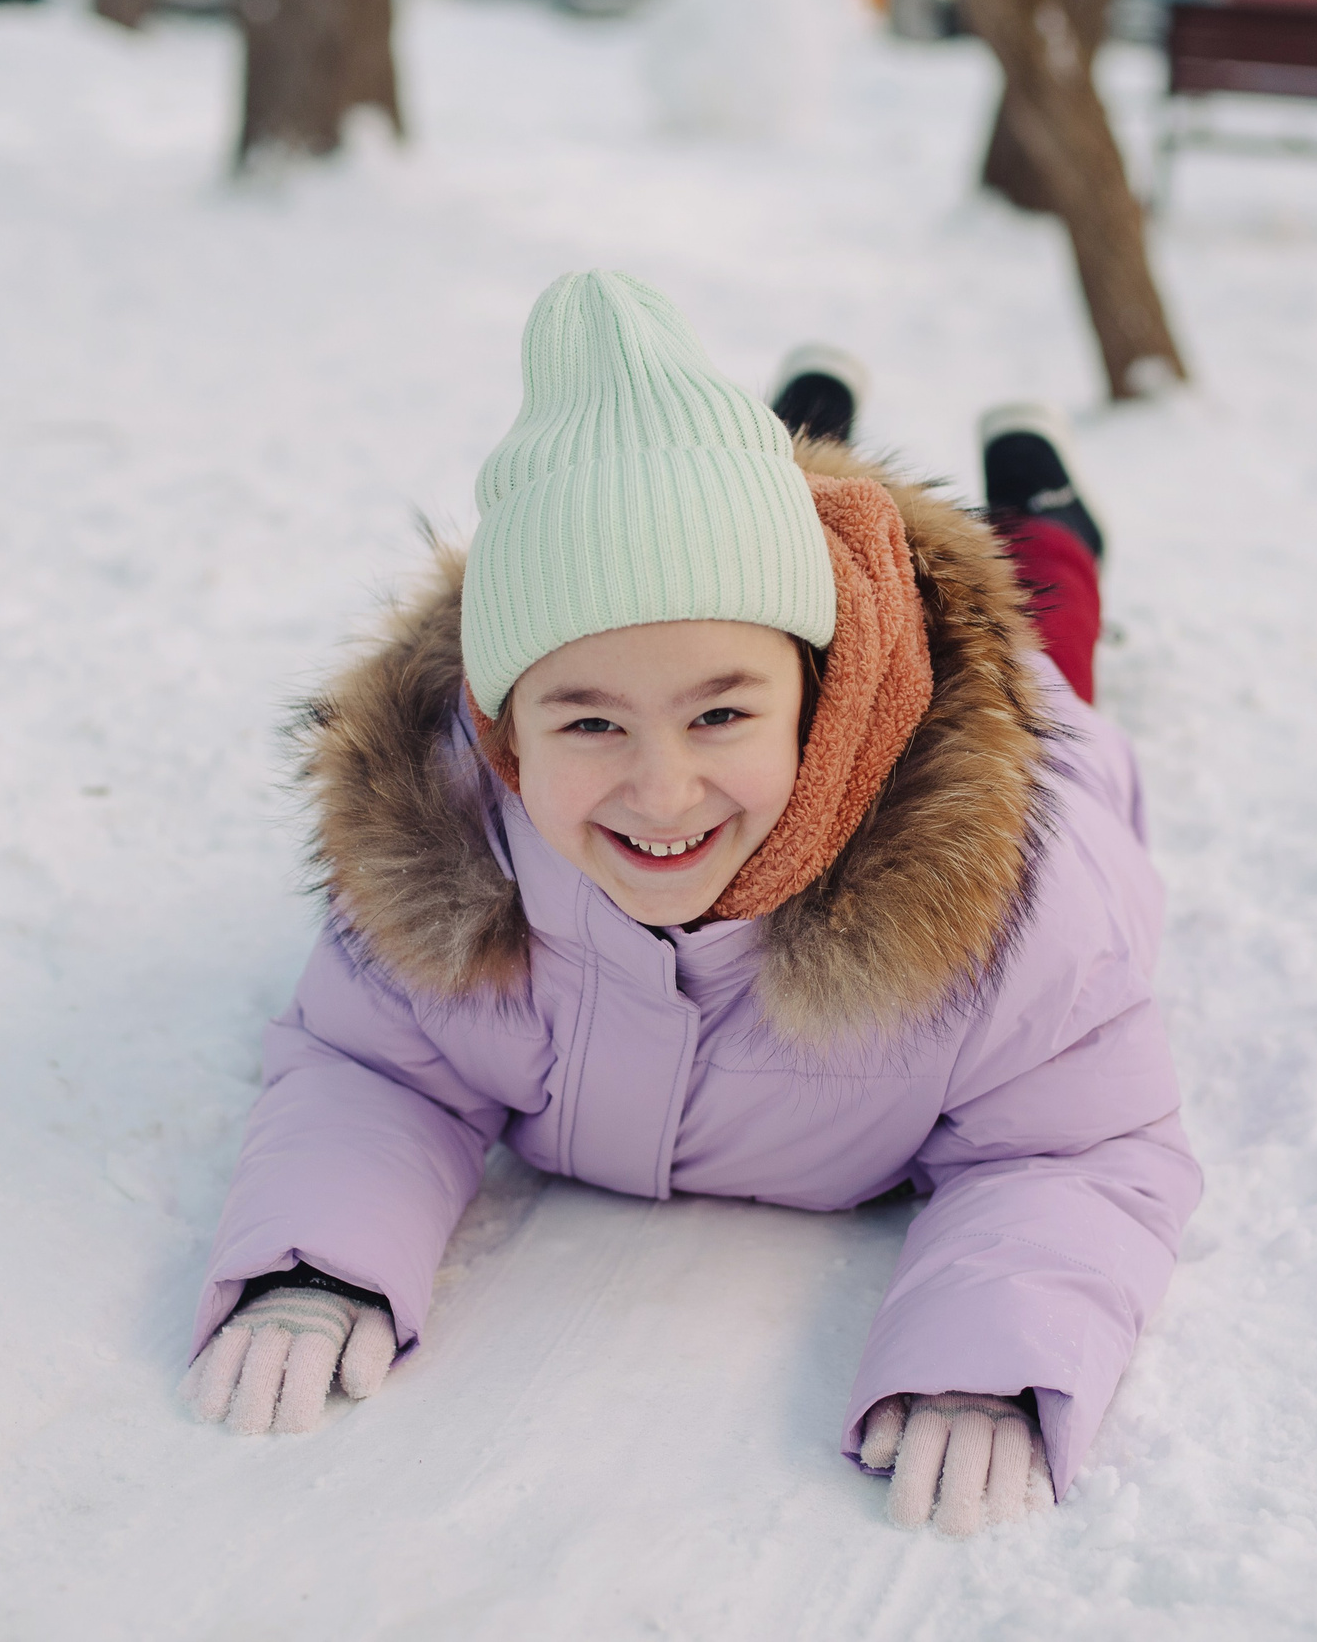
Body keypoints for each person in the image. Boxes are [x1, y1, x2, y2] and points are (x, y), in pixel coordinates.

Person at [182, 269, 1200, 1538]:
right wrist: (315, 1256)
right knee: (674, 588)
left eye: (722, 712)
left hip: (1035, 730)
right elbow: (368, 1066)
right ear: (501, 731)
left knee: (1047, 622)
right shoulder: (446, 853)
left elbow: (1073, 1147)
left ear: (817, 696)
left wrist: (988, 1351)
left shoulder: (1015, 901)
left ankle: (1043, 507)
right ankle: (790, 424)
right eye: (589, 721)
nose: (662, 790)